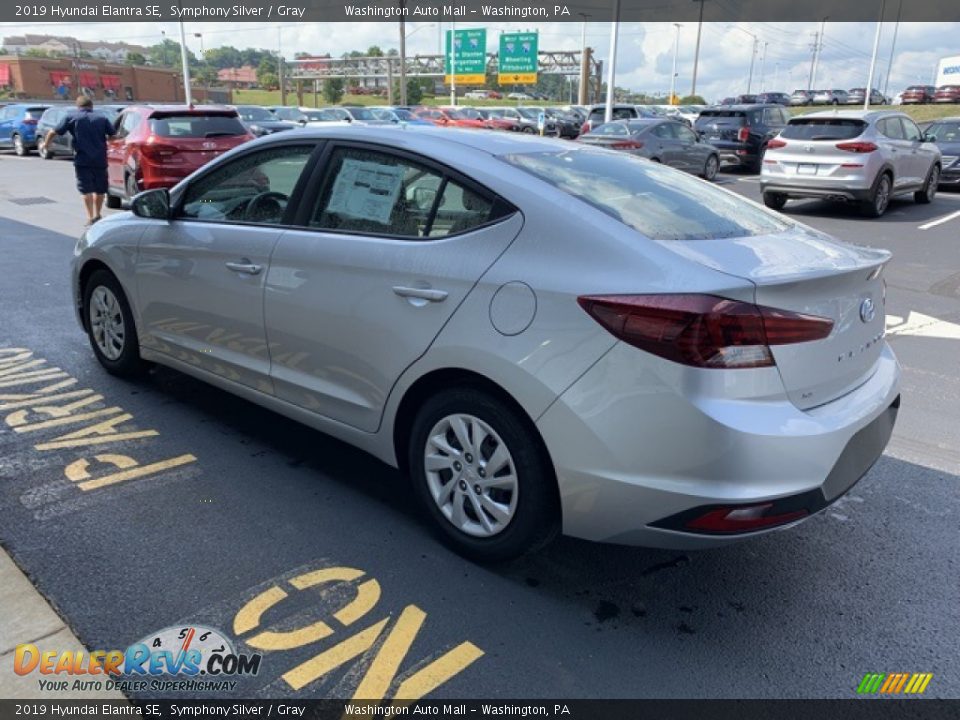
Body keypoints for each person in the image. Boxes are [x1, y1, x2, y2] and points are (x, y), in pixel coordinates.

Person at [40, 95, 115, 226]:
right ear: (91, 106)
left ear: (78, 107)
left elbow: (53, 131)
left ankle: (90, 216)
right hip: (100, 158)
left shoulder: (71, 117)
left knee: (86, 189)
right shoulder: (102, 118)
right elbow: (113, 135)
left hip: (82, 158)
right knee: (100, 189)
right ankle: (98, 214)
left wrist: (46, 145)